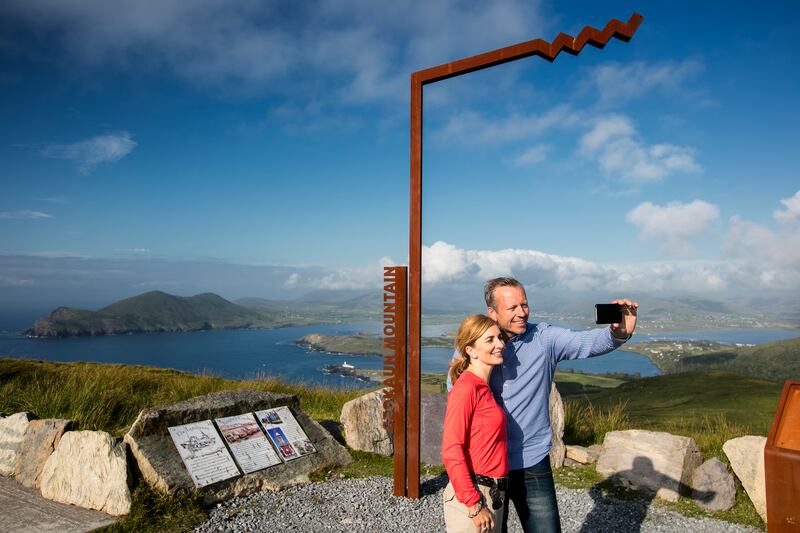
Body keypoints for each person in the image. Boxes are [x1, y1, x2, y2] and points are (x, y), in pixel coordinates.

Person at [483, 277, 638, 533]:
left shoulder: (544, 338)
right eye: (512, 308)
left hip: (532, 460)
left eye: (525, 305)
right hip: (487, 463)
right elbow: (459, 396)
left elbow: (585, 343)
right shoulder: (474, 345)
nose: (522, 313)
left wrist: (619, 332)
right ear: (492, 312)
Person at [442, 314, 509, 533]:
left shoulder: (483, 387)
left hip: (492, 493)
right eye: (489, 340)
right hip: (474, 497)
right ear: (470, 350)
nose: (499, 344)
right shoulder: (466, 388)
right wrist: (473, 504)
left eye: (499, 338)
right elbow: (451, 449)